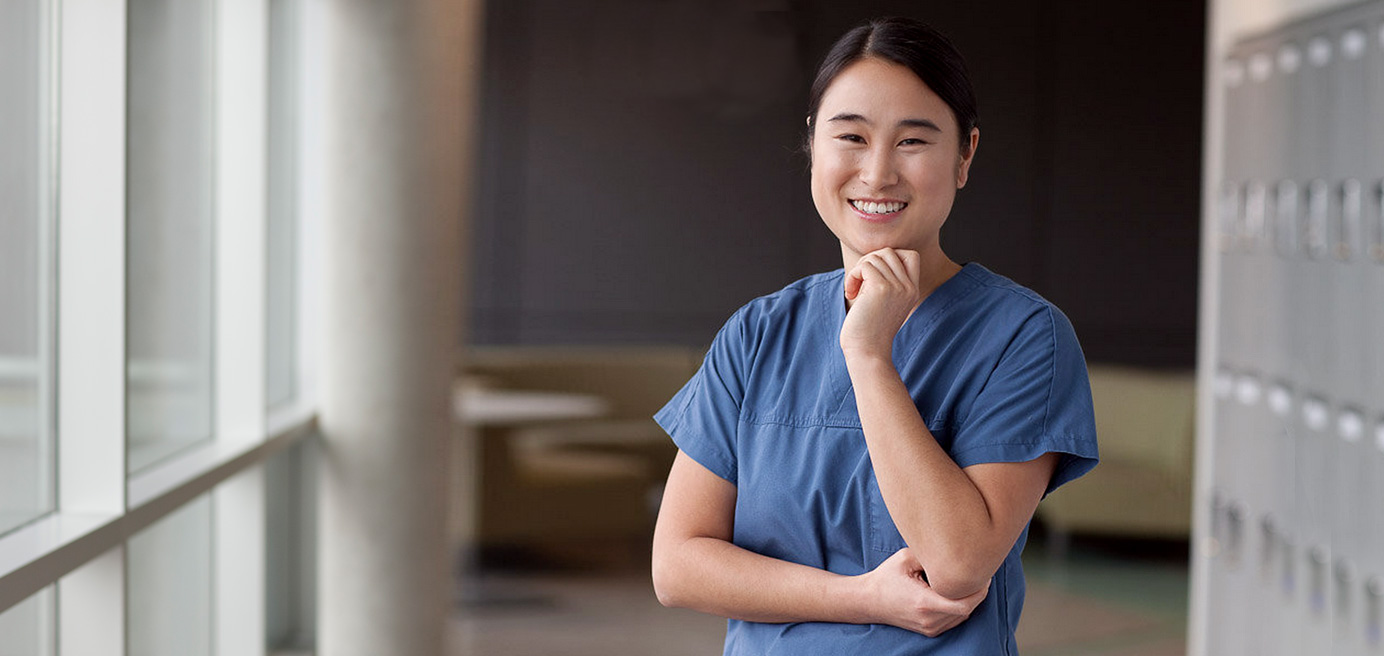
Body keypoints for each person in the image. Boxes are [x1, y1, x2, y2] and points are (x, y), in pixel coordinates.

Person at [649, 16, 1100, 655]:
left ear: (966, 154)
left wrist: (867, 355)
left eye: (913, 141)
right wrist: (864, 598)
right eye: (851, 137)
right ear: (813, 143)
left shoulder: (1024, 337)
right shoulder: (758, 334)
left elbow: (958, 563)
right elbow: (677, 565)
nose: (879, 172)